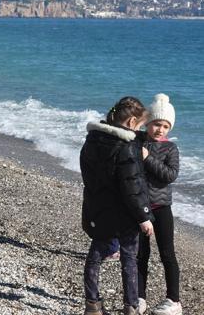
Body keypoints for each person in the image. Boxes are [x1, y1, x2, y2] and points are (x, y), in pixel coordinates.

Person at [80, 96, 153, 315]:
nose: (139, 130)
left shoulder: (92, 139)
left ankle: (92, 303)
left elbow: (88, 172)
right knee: (129, 258)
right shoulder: (127, 148)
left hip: (98, 206)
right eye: (139, 125)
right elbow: (133, 187)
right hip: (125, 213)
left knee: (95, 254)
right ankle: (131, 306)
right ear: (131, 122)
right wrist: (144, 216)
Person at [136, 94, 182, 315]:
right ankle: (139, 297)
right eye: (157, 124)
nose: (160, 129)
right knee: (140, 255)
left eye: (165, 126)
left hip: (162, 208)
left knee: (167, 254)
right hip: (139, 208)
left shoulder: (170, 149)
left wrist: (147, 159)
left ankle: (174, 301)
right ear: (148, 123)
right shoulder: (138, 141)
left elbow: (170, 175)